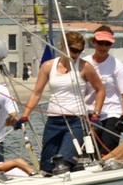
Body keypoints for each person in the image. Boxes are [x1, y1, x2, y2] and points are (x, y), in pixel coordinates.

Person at [17, 31, 105, 174]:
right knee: (47, 166)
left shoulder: (85, 67)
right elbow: (36, 93)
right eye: (73, 50)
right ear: (63, 46)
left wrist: (96, 114)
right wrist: (24, 116)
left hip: (76, 121)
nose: (76, 55)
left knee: (63, 161)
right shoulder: (48, 66)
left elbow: (100, 90)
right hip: (53, 121)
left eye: (79, 51)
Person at [85, 26, 123, 154]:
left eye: (108, 44)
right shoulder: (84, 63)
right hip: (89, 114)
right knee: (88, 152)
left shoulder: (118, 66)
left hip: (112, 112)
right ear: (93, 42)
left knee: (106, 151)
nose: (104, 47)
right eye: (100, 43)